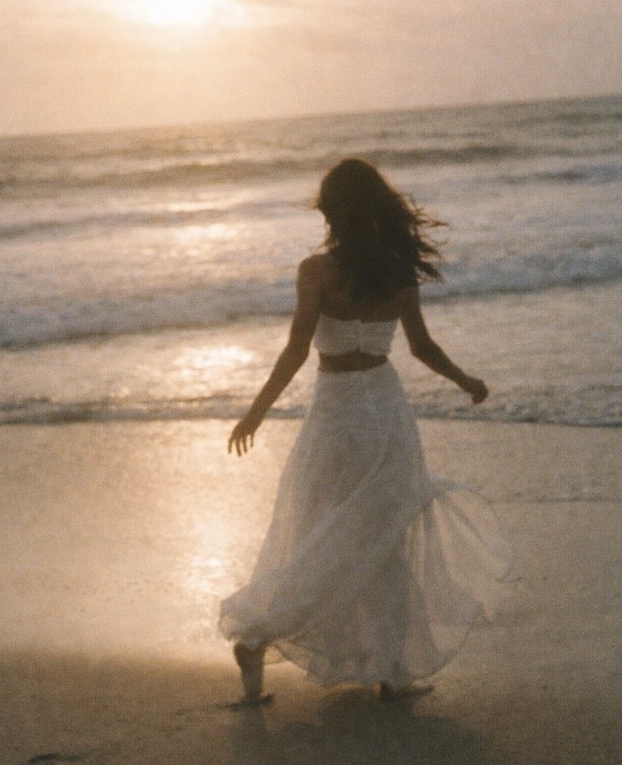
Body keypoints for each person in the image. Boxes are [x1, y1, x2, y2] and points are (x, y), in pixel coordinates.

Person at [219, 158, 512, 706]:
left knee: (322, 533)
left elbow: (296, 350)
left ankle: (262, 640)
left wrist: (255, 413)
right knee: (384, 537)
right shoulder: (398, 271)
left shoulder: (316, 271)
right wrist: (465, 380)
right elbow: (422, 348)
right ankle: (390, 672)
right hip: (385, 414)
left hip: (335, 414)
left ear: (331, 212)